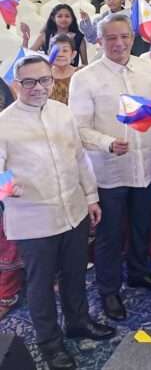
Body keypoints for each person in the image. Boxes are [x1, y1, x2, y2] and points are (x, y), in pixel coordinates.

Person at [0, 55, 115, 369]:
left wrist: (91, 198)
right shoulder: (4, 123)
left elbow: (79, 159)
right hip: (33, 220)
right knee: (40, 286)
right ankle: (50, 343)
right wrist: (8, 187)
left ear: (53, 80)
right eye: (29, 82)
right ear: (16, 84)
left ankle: (78, 322)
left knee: (75, 274)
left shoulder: (63, 113)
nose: (38, 88)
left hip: (73, 211)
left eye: (44, 80)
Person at [68, 13, 151, 322]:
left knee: (142, 225)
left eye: (124, 36)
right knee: (110, 235)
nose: (119, 43)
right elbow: (79, 129)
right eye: (111, 37)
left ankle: (139, 273)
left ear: (132, 36)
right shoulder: (85, 78)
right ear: (99, 41)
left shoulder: (148, 69)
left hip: (147, 166)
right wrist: (107, 143)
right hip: (108, 170)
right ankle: (108, 290)